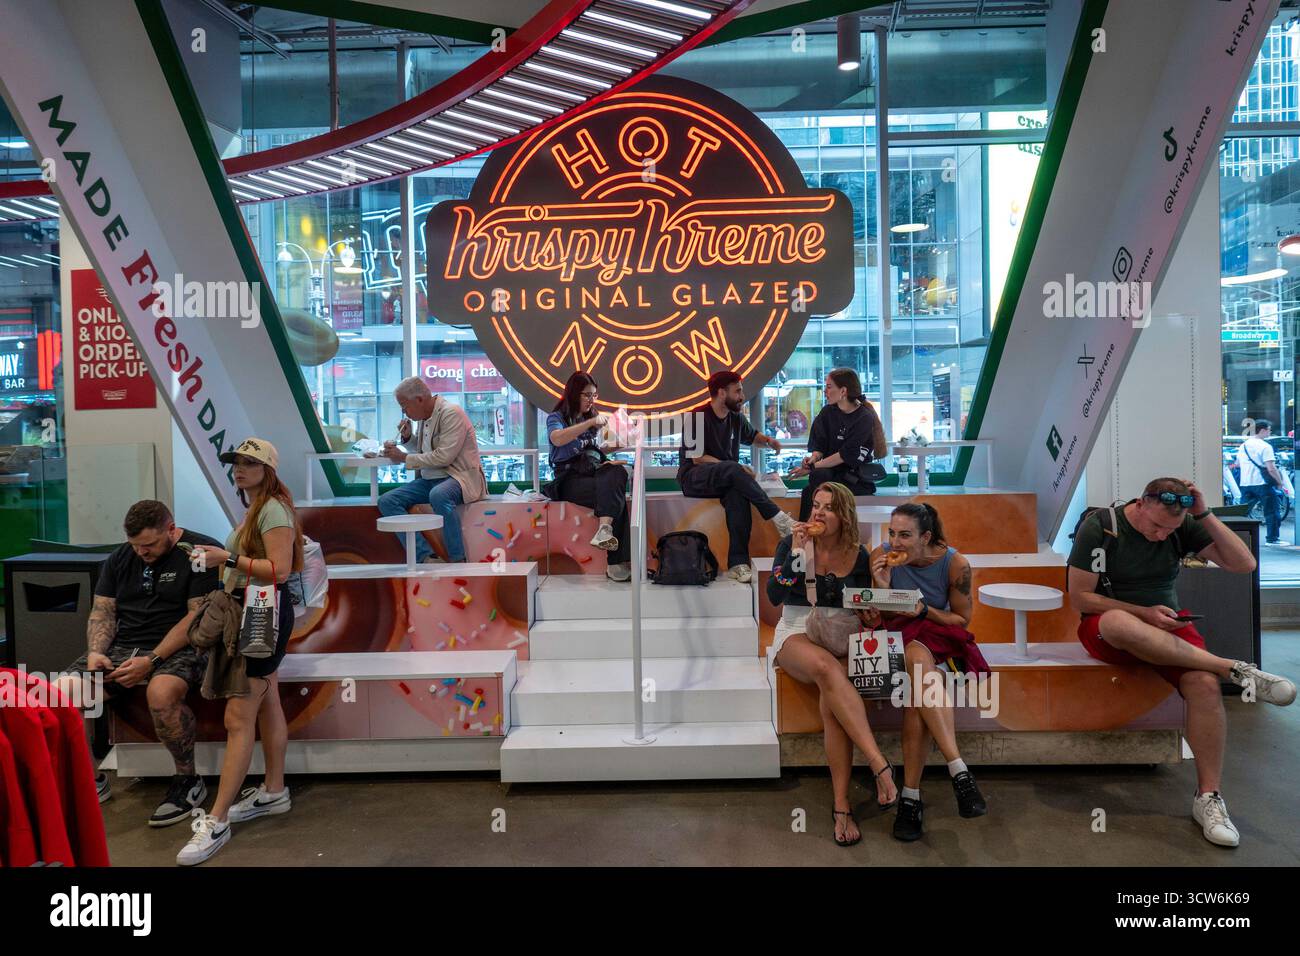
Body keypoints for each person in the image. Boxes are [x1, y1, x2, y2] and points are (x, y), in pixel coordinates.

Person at [1067, 476, 1295, 847]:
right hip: (1110, 626)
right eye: (1155, 525)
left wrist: (1204, 514)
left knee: (1205, 686)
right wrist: (1143, 611)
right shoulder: (1102, 527)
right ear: (1140, 504)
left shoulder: (1184, 525)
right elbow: (1080, 599)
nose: (1160, 535)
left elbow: (1245, 564)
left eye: (1169, 529)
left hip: (1169, 624)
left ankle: (1209, 797)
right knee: (1118, 622)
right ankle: (1232, 668)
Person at [54, 500, 221, 827]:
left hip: (180, 645)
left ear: (171, 530)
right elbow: (103, 611)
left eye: (149, 545)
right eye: (135, 545)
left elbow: (195, 619)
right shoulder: (121, 557)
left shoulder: (199, 551)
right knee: (61, 693)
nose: (141, 552)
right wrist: (96, 652)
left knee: (161, 694)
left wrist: (152, 660)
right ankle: (92, 780)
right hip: (126, 644)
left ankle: (188, 780)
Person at [179, 438, 304, 865]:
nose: (239, 469)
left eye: (250, 464)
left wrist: (225, 558)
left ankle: (215, 821)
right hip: (257, 611)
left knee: (238, 718)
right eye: (236, 463)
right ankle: (273, 790)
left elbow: (280, 571)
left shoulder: (271, 509)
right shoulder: (260, 507)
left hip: (261, 613)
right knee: (267, 704)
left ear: (267, 469)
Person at [767, 481, 896, 846]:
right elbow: (775, 595)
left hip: (840, 633)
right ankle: (879, 765)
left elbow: (869, 612)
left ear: (844, 516)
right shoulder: (791, 544)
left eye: (828, 507)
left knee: (833, 697)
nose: (818, 513)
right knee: (828, 670)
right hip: (796, 629)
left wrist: (873, 614)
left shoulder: (859, 555)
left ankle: (842, 807)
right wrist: (796, 553)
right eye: (815, 506)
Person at [871, 501, 989, 842]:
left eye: (905, 535)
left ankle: (911, 799)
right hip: (899, 637)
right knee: (919, 671)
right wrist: (881, 586)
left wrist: (923, 611)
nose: (895, 542)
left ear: (926, 536)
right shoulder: (880, 556)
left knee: (917, 681)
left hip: (938, 635)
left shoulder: (956, 564)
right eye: (892, 533)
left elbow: (960, 621)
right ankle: (959, 771)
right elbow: (882, 616)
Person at [678, 370, 796, 582]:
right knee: (734, 470)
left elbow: (752, 437)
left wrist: (770, 441)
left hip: (726, 477)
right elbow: (697, 458)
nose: (742, 396)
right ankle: (778, 517)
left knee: (738, 496)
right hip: (694, 478)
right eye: (738, 391)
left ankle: (737, 563)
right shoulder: (696, 417)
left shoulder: (735, 417)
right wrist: (733, 466)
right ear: (722, 393)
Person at [377, 376, 488, 563]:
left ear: (419, 399)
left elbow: (444, 457)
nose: (404, 411)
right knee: (387, 501)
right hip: (431, 479)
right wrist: (408, 439)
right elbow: (426, 453)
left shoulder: (451, 413)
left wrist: (403, 457)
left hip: (459, 477)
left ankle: (458, 559)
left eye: (405, 405)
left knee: (439, 495)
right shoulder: (425, 417)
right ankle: (426, 557)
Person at [546, 371, 631, 582]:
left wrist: (623, 441)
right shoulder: (556, 418)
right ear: (574, 394)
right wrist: (589, 423)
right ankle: (615, 563)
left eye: (594, 395)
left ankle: (604, 528)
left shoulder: (591, 417)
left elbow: (598, 448)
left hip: (592, 472)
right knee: (615, 497)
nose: (591, 400)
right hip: (568, 479)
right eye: (587, 395)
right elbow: (557, 439)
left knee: (618, 473)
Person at [790, 368, 888, 521]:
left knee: (819, 481)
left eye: (829, 387)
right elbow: (819, 446)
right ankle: (806, 534)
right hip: (826, 473)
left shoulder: (863, 418)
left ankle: (811, 530)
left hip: (852, 477)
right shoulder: (827, 412)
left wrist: (813, 467)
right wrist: (813, 459)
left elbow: (845, 455)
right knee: (815, 483)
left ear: (843, 391)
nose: (824, 391)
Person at [1235, 419, 1284, 544]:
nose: (1270, 432)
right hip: (1263, 484)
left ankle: (1238, 538)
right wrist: (1279, 482)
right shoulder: (1265, 446)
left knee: (1242, 513)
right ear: (1262, 430)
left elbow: (1238, 464)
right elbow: (1271, 468)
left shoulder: (1243, 446)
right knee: (1271, 512)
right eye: (1269, 430)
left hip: (1246, 484)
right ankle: (1272, 538)